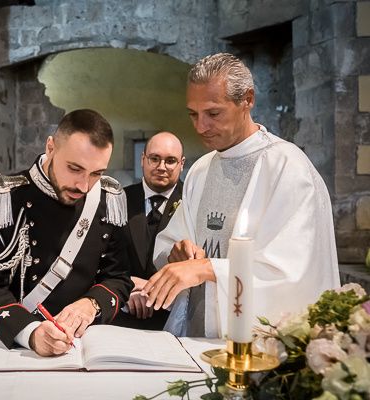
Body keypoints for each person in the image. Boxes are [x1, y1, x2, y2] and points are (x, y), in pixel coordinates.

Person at [144, 53, 340, 338]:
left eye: (213, 113)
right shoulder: (201, 169)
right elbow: (170, 245)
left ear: (247, 100)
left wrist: (207, 268)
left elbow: (291, 274)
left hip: (261, 347)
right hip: (195, 337)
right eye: (193, 114)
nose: (200, 127)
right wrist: (178, 252)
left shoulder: (287, 167)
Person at [0, 109, 133, 356]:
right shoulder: (0, 200)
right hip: (11, 346)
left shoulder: (108, 202)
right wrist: (30, 333)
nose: (84, 185)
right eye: (74, 168)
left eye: (96, 173)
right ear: (51, 147)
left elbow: (118, 277)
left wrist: (90, 304)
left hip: (82, 348)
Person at [112, 132, 184, 330]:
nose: (161, 167)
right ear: (143, 159)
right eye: (154, 159)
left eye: (170, 161)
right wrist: (127, 287)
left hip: (175, 320)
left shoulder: (193, 203)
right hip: (123, 312)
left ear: (181, 164)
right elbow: (103, 258)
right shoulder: (117, 200)